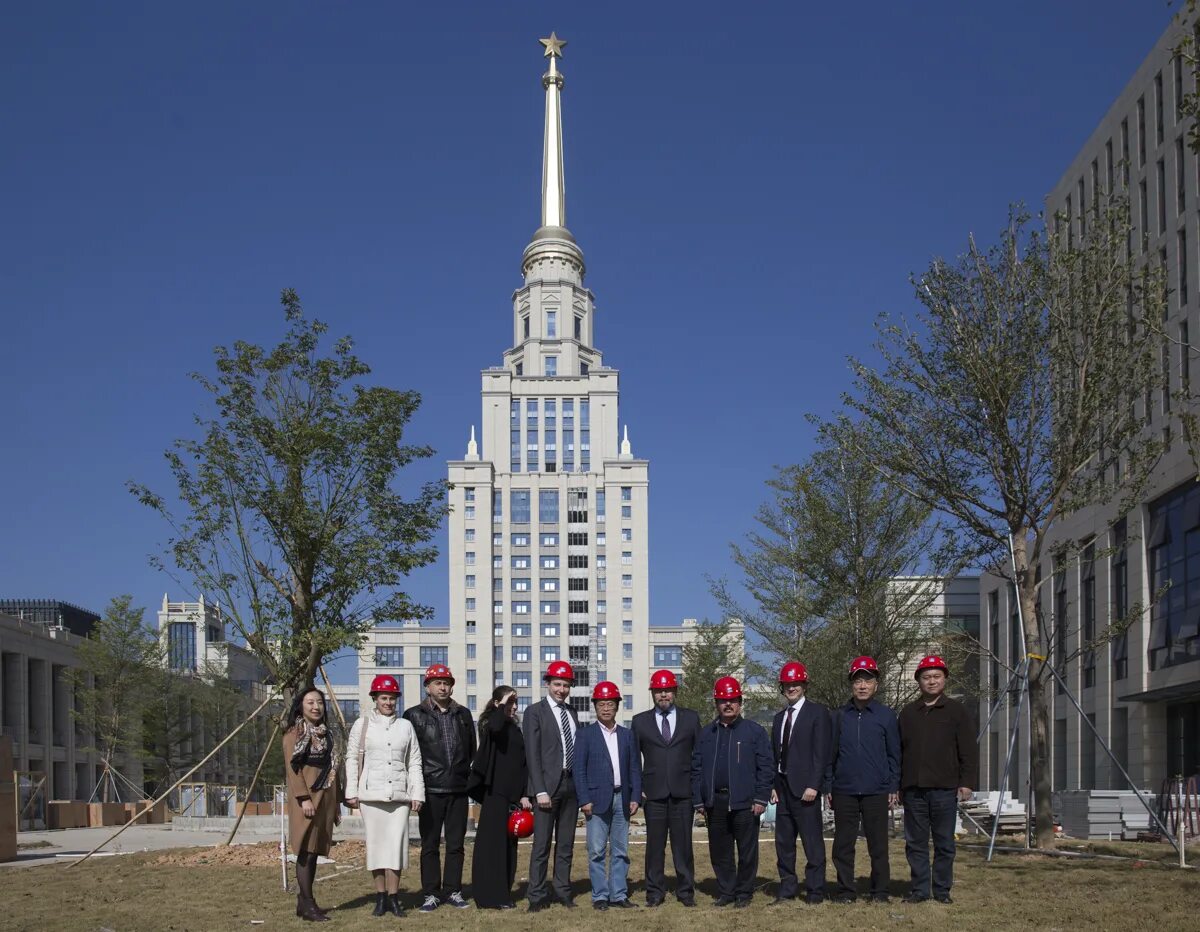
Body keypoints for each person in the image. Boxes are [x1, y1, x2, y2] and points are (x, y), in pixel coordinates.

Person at [898, 654, 978, 905]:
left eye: (936, 677)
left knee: (944, 843)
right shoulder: (909, 713)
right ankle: (920, 890)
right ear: (918, 681)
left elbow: (968, 750)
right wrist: (898, 785)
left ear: (944, 679)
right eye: (926, 677)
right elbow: (899, 751)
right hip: (913, 790)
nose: (931, 681)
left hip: (944, 788)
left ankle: (942, 890)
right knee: (915, 843)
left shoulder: (957, 711)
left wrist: (966, 782)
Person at [345, 674, 425, 917]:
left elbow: (414, 761)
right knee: (377, 848)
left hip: (400, 797)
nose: (388, 703)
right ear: (375, 699)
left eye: (392, 698)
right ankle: (380, 897)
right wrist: (351, 791)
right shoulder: (362, 725)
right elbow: (351, 758)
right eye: (384, 698)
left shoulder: (405, 726)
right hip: (371, 796)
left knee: (396, 849)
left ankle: (394, 897)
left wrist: (417, 793)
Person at [691, 676, 773, 908]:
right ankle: (726, 891)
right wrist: (698, 799)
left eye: (733, 700)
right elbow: (695, 768)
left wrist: (761, 798)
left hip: (746, 803)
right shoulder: (706, 734)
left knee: (747, 852)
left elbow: (766, 767)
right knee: (720, 851)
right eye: (723, 700)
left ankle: (744, 893)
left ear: (740, 702)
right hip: (715, 802)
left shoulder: (754, 732)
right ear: (716, 703)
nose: (728, 704)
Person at [825, 656, 900, 904]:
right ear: (851, 684)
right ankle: (846, 890)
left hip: (876, 790)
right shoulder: (838, 716)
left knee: (878, 846)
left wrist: (893, 785)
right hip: (844, 790)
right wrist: (828, 785)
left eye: (867, 680)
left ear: (876, 684)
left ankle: (880, 892)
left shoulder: (887, 716)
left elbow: (894, 754)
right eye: (858, 680)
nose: (862, 685)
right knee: (843, 845)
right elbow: (830, 754)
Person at [403, 663, 477, 913]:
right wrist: (415, 789)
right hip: (430, 789)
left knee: (456, 844)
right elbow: (410, 755)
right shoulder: (413, 715)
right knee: (430, 844)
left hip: (458, 788)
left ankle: (453, 890)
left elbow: (471, 749)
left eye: (447, 682)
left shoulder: (463, 714)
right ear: (428, 687)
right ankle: (431, 893)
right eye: (438, 683)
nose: (443, 687)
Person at [631, 669, 701, 907]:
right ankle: (654, 892)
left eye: (667, 690)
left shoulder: (691, 719)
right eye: (659, 691)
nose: (663, 695)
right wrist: (637, 788)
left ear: (675, 692)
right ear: (652, 693)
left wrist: (697, 789)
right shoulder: (640, 722)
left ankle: (686, 892)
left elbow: (698, 757)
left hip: (683, 794)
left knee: (683, 847)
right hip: (654, 794)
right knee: (654, 847)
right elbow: (633, 760)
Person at [574, 681, 642, 910]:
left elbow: (634, 767)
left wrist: (635, 797)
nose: (606, 708)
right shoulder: (585, 735)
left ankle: (619, 895)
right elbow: (579, 770)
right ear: (595, 706)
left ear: (617, 706)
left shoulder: (627, 735)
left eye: (610, 704)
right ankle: (600, 896)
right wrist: (584, 799)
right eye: (601, 704)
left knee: (621, 850)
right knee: (596, 851)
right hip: (595, 800)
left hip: (622, 798)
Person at [770, 661, 832, 905]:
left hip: (805, 788)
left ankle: (815, 891)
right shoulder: (778, 718)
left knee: (812, 843)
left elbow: (821, 752)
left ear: (804, 685)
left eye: (796, 683)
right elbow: (776, 754)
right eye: (787, 684)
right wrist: (773, 784)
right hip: (783, 787)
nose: (791, 688)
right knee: (784, 844)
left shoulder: (818, 713)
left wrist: (814, 785)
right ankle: (787, 888)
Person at [523, 659, 581, 911]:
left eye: (566, 685)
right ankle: (536, 895)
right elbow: (532, 755)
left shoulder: (573, 713)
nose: (562, 690)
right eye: (557, 684)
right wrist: (539, 790)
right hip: (547, 787)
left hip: (571, 786)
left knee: (566, 844)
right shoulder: (534, 712)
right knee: (542, 845)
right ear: (548, 683)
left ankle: (562, 890)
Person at [469, 686, 533, 909]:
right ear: (497, 703)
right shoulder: (489, 723)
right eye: (509, 702)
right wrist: (501, 705)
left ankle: (504, 893)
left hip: (513, 797)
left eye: (515, 702)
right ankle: (489, 896)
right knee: (492, 847)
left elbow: (522, 763)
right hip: (494, 794)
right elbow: (494, 730)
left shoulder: (514, 728)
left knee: (509, 848)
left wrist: (525, 794)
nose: (514, 706)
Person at [282, 687, 343, 922]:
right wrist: (303, 798)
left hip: (324, 799)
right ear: (301, 706)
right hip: (305, 800)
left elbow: (333, 770)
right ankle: (308, 903)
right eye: (310, 703)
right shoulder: (293, 734)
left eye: (319, 702)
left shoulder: (326, 734)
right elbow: (292, 770)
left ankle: (303, 902)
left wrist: (336, 801)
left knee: (315, 850)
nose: (316, 707)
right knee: (305, 850)